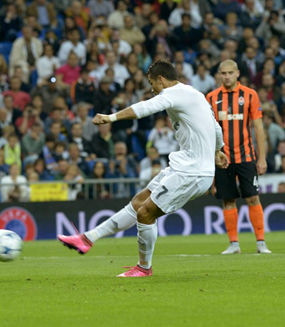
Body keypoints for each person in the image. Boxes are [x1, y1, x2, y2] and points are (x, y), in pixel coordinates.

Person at [58, 60, 228, 277]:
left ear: (161, 80)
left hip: (192, 172)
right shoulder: (195, 94)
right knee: (138, 202)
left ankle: (143, 267)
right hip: (183, 166)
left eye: (152, 83)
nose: (152, 89)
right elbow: (214, 126)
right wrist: (217, 150)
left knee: (146, 213)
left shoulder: (174, 94)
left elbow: (146, 107)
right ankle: (86, 239)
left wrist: (111, 117)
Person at [206, 60, 271, 255]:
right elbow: (208, 130)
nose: (226, 76)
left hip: (246, 157)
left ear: (237, 73)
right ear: (219, 74)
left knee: (253, 197)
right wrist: (213, 155)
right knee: (228, 200)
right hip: (223, 159)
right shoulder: (211, 97)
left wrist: (262, 158)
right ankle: (234, 244)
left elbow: (258, 128)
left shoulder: (250, 95)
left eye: (230, 73)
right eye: (223, 73)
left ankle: (260, 242)